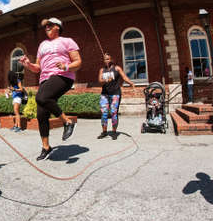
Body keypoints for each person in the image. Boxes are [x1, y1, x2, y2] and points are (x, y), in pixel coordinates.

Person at [19, 17, 82, 160]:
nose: (46, 27)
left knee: (42, 97)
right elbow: (38, 68)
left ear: (58, 27)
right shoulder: (42, 45)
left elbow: (78, 62)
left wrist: (66, 66)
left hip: (63, 76)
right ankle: (46, 147)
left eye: (49, 25)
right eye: (45, 26)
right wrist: (28, 64)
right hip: (45, 79)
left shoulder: (67, 41)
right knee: (41, 114)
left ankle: (67, 122)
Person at [97, 53, 135, 140]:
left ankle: (114, 132)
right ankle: (104, 132)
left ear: (111, 60)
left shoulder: (117, 68)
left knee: (114, 113)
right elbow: (100, 81)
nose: (106, 61)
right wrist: (107, 80)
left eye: (108, 59)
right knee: (104, 113)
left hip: (115, 93)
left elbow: (124, 77)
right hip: (104, 94)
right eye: (105, 59)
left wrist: (131, 83)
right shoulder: (102, 70)